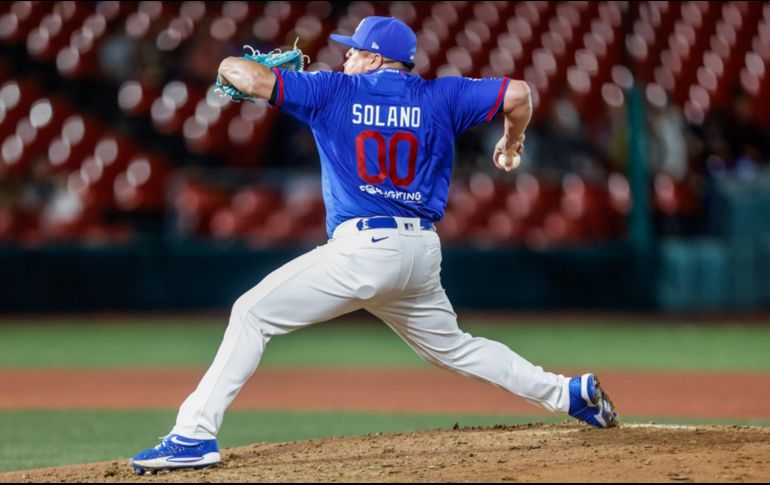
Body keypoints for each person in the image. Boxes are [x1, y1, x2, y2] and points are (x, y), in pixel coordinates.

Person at [130, 16, 617, 474]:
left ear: (378, 59)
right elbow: (519, 92)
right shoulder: (440, 96)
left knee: (251, 313)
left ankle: (193, 436)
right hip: (420, 253)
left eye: (355, 52)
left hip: (363, 249)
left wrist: (235, 67)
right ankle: (568, 394)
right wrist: (511, 144)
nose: (345, 59)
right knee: (456, 348)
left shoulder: (330, 90)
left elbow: (242, 75)